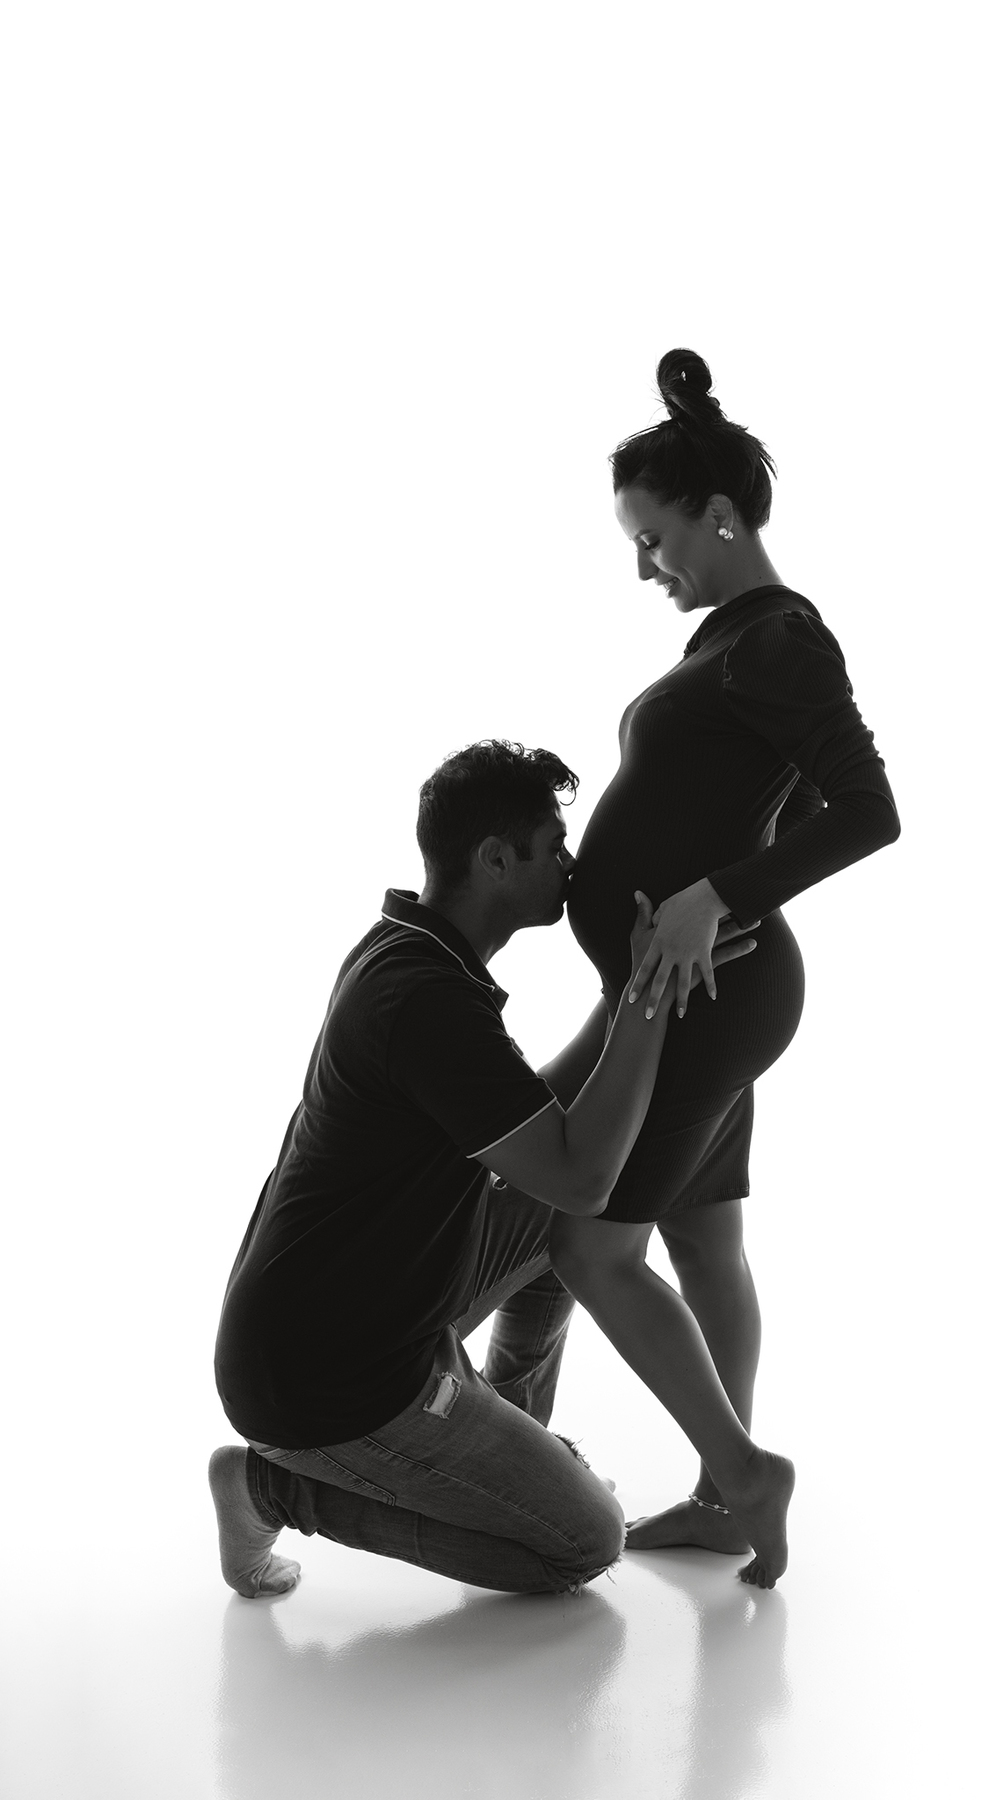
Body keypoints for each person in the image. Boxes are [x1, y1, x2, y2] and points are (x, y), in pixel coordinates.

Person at [209, 739, 759, 1599]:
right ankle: (269, 1487)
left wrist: (634, 988)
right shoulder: (425, 1001)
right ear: (495, 859)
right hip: (331, 1381)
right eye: (554, 847)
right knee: (583, 1543)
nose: (570, 867)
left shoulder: (416, 953)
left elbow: (543, 1132)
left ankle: (509, 1439)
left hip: (369, 1309)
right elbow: (582, 1176)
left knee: (564, 1220)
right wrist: (647, 997)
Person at [550, 350, 901, 1590]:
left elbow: (869, 812)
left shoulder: (779, 638)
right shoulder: (741, 640)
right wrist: (721, 877)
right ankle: (719, 1494)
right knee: (702, 1244)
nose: (646, 568)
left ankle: (745, 1477)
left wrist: (715, 896)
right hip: (699, 995)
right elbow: (782, 798)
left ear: (718, 516)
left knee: (589, 1250)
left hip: (705, 1003)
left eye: (653, 540)